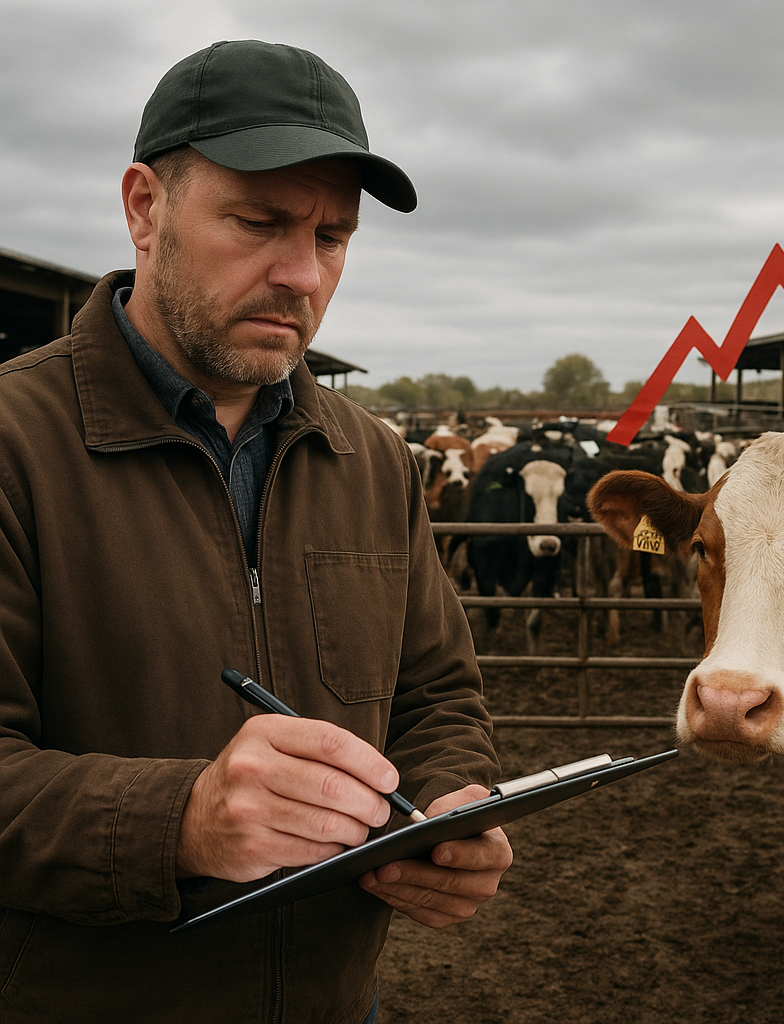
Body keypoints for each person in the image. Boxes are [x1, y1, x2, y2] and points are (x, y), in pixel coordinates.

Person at [0, 39, 512, 1024]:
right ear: (145, 208)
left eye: (332, 236)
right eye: (259, 221)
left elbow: (436, 690)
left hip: (335, 1000)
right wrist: (180, 823)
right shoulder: (17, 448)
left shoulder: (373, 461)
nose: (301, 273)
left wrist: (453, 807)